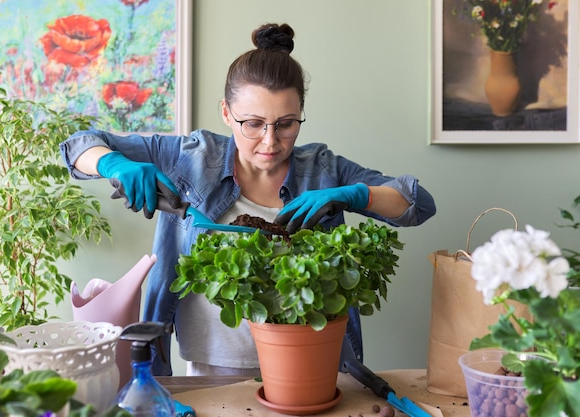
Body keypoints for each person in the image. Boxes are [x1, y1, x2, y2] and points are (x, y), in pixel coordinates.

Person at [60, 23, 436, 377]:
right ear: (226, 112)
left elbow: (417, 204)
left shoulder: (322, 168)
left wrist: (356, 194)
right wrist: (114, 164)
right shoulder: (192, 157)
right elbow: (78, 147)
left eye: (286, 123)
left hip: (306, 364)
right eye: (253, 124)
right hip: (212, 365)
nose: (270, 141)